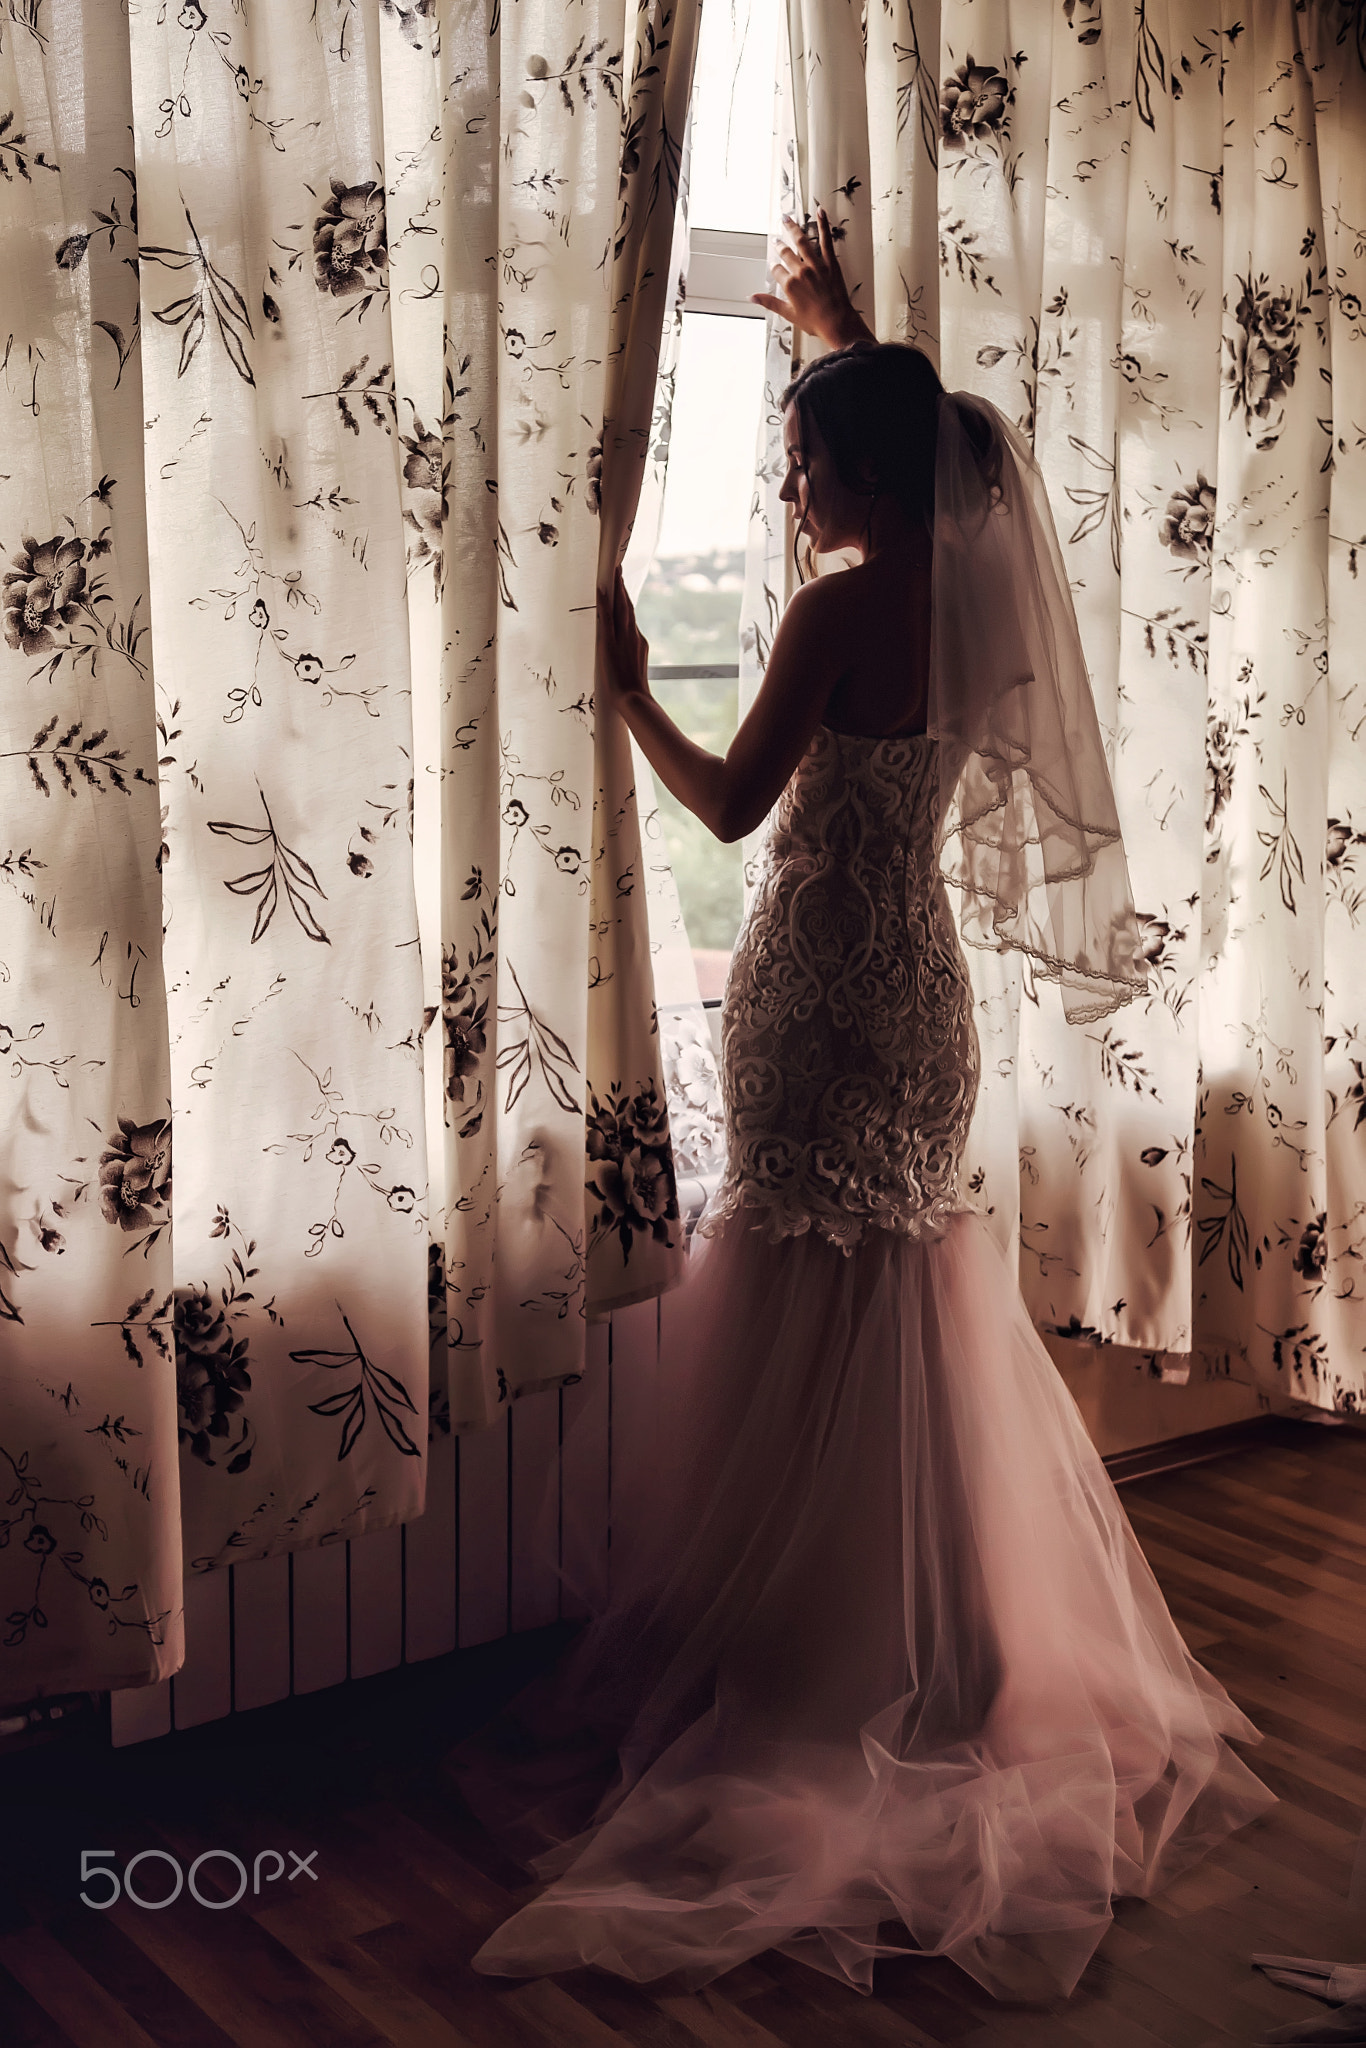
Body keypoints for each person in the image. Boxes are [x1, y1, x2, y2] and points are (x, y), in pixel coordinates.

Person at [445, 208, 1277, 2004]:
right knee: (900, 1305)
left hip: (822, 988)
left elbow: (738, 808)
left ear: (862, 471)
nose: (790, 478)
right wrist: (832, 333)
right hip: (924, 1003)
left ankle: (824, 1661)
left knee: (818, 1307)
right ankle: (944, 1658)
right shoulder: (968, 597)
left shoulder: (835, 610)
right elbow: (927, 461)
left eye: (805, 452)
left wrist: (631, 695)